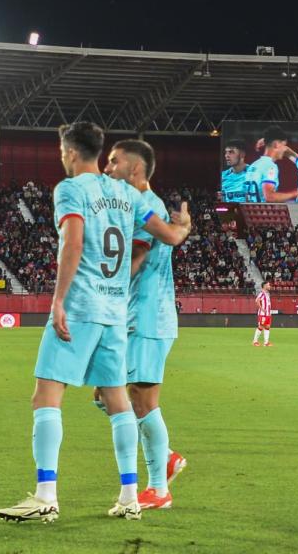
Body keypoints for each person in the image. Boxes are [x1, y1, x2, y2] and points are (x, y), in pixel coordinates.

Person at [0, 122, 191, 524]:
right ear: (100, 152)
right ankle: (130, 496)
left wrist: (58, 301)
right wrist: (184, 226)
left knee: (46, 394)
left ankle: (46, 494)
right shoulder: (125, 193)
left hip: (82, 305)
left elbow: (74, 242)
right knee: (118, 401)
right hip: (117, 314)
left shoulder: (69, 190)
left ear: (68, 152)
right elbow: (167, 235)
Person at [101, 139, 187, 510]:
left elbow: (136, 257)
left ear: (135, 170)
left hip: (148, 317)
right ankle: (165, 455)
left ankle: (159, 489)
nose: (107, 168)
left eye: (114, 162)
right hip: (135, 315)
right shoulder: (139, 205)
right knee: (106, 395)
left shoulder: (144, 206)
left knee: (142, 401)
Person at [247, 126, 298, 203]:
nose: (285, 149)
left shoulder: (254, 165)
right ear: (276, 145)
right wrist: (294, 193)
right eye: (284, 145)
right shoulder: (270, 166)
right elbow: (269, 197)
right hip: (261, 212)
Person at [253, 280, 272, 347]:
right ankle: (255, 341)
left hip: (268, 314)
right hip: (263, 314)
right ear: (265, 286)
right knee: (261, 327)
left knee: (267, 327)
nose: (270, 286)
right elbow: (257, 301)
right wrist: (261, 309)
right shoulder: (261, 293)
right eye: (268, 285)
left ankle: (266, 343)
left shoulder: (267, 294)